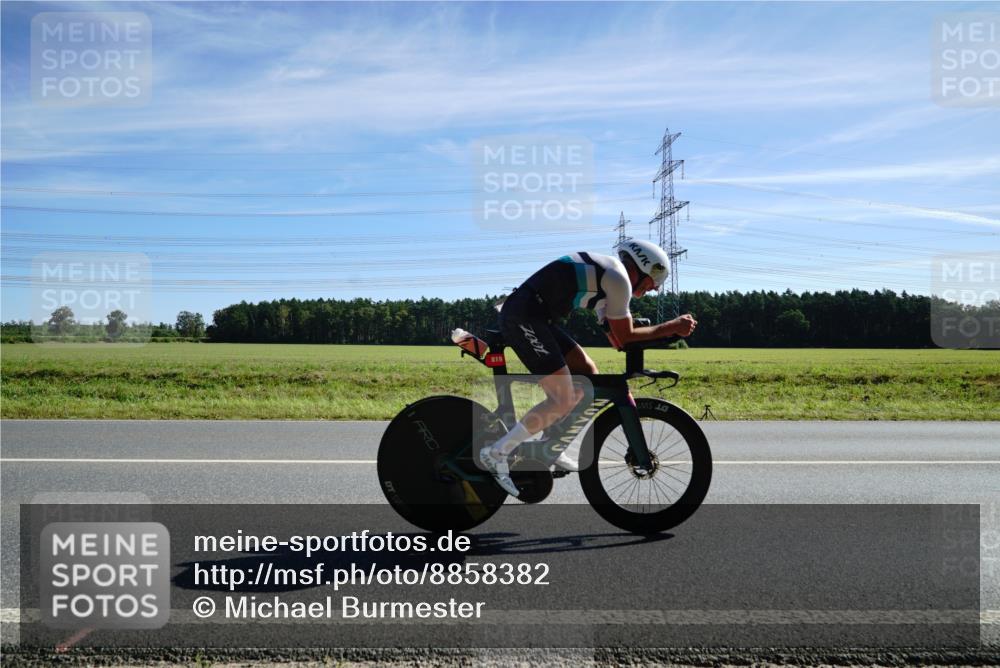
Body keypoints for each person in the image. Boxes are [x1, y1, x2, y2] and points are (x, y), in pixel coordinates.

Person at [479, 239, 698, 496]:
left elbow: (617, 340)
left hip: (535, 316)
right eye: (655, 280)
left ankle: (549, 446)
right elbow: (626, 337)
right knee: (564, 398)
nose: (654, 290)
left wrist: (663, 335)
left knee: (587, 373)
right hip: (524, 316)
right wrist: (671, 327)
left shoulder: (610, 280)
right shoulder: (618, 279)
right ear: (643, 268)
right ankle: (496, 453)